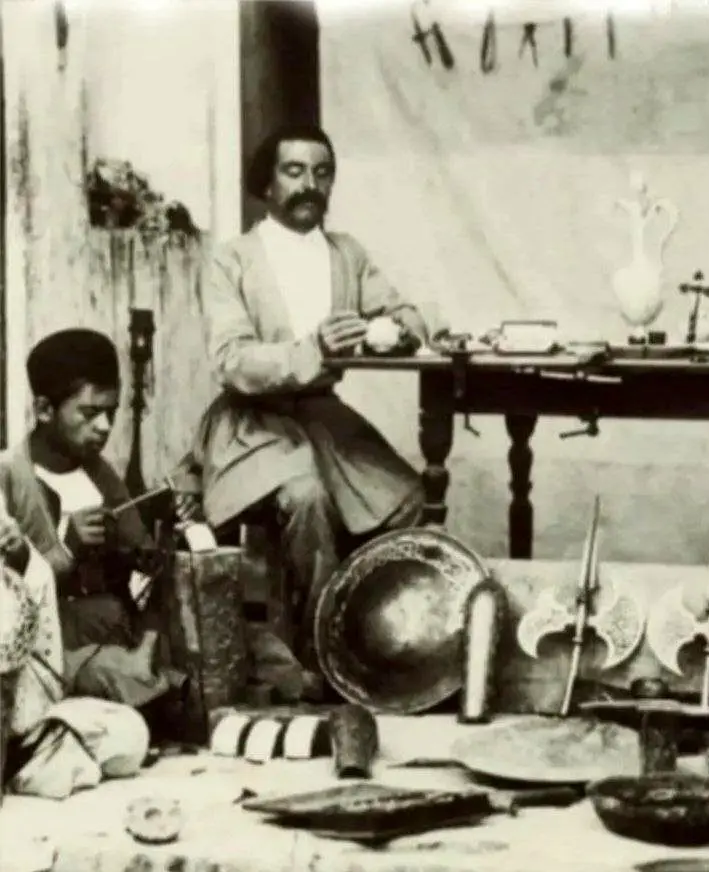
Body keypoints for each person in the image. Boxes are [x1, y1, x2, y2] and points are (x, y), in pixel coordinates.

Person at [189, 124, 432, 663]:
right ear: (266, 184)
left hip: (320, 416)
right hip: (251, 421)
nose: (309, 185)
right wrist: (313, 347)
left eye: (322, 173)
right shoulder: (232, 259)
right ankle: (320, 650)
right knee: (308, 500)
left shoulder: (346, 253)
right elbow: (233, 361)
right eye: (293, 171)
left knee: (406, 497)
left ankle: (367, 626)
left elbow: (407, 315)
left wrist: (392, 331)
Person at [0, 329, 180, 721]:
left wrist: (149, 550)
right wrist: (66, 550)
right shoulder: (9, 478)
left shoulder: (101, 474)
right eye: (89, 412)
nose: (104, 426)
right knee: (118, 678)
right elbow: (9, 603)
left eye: (111, 412)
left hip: (111, 630)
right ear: (44, 410)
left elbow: (143, 566)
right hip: (44, 649)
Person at [0, 473, 150, 800]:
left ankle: (30, 753)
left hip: (22, 703)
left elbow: (33, 585)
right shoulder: (12, 466)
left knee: (131, 733)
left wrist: (21, 556)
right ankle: (32, 758)